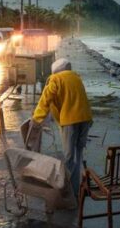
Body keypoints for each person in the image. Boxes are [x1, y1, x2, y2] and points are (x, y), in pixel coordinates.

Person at [32, 58, 93, 200]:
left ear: (55, 71)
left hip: (71, 121)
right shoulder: (76, 77)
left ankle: (68, 191)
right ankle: (77, 189)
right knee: (78, 153)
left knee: (69, 157)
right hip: (86, 119)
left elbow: (45, 99)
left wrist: (37, 118)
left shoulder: (55, 79)